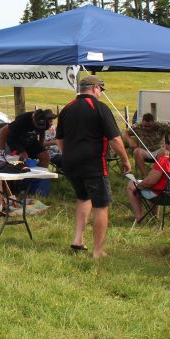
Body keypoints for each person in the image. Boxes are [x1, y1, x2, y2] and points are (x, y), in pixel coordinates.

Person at [56, 75, 130, 257]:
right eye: (101, 91)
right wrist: (125, 159)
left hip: (70, 163)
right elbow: (115, 139)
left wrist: (68, 154)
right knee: (101, 205)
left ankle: (78, 240)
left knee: (83, 198)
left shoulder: (67, 108)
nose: (101, 94)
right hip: (93, 163)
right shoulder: (99, 108)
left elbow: (59, 138)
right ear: (96, 88)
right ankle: (98, 251)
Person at [125, 131, 170, 220]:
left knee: (131, 184)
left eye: (169, 143)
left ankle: (139, 217)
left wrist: (138, 187)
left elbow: (149, 182)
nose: (167, 146)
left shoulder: (165, 161)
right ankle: (154, 217)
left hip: (163, 196)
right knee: (157, 185)